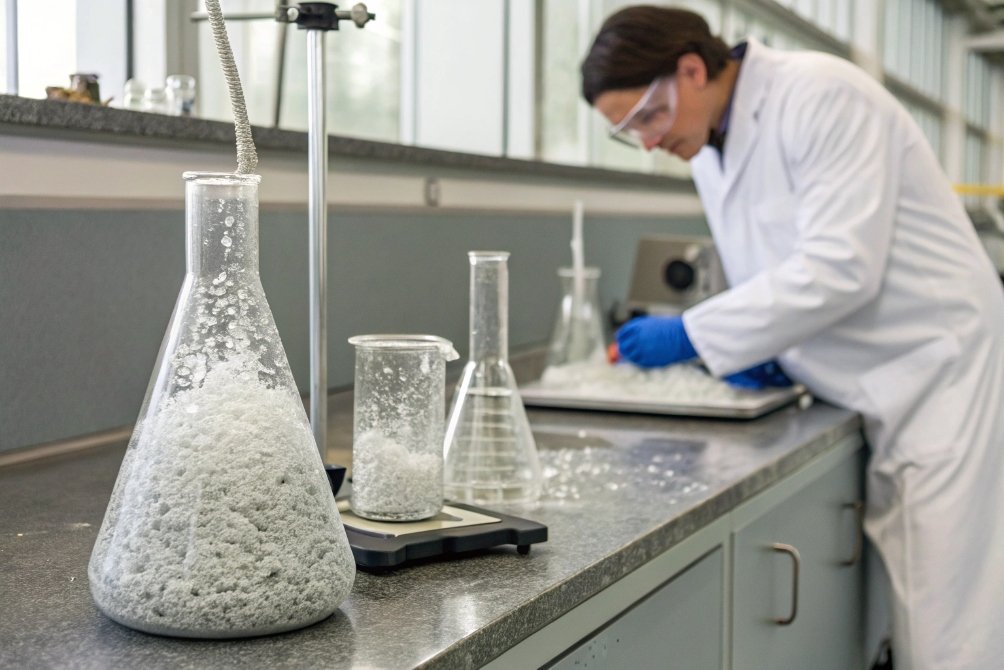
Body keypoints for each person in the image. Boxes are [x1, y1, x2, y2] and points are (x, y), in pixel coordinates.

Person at [582, 6, 1004, 670]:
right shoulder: (708, 147)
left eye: (647, 117)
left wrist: (693, 332)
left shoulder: (821, 94)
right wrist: (766, 349)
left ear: (691, 70)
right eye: (628, 132)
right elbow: (777, 270)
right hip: (860, 372)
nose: (648, 142)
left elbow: (841, 268)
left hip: (936, 365)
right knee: (901, 614)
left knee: (948, 618)